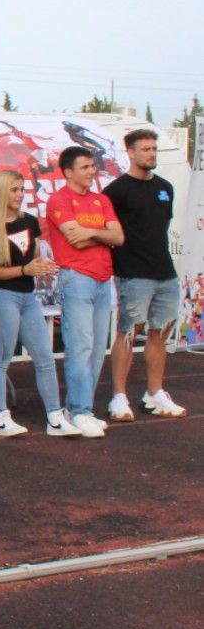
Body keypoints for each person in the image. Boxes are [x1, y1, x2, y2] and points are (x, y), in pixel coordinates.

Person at [0, 169, 77, 437]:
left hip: (27, 297)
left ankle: (55, 417)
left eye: (22, 189)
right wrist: (25, 270)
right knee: (0, 359)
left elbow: (32, 259)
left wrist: (43, 266)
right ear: (1, 191)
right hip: (1, 296)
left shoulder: (30, 221)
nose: (20, 195)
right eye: (14, 190)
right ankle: (0, 418)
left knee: (45, 357)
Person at [104, 129, 186, 420]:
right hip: (133, 273)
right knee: (128, 332)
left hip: (165, 272)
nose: (151, 154)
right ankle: (118, 397)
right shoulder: (115, 191)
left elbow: (160, 227)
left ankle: (154, 393)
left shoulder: (165, 187)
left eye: (154, 149)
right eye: (145, 149)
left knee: (160, 333)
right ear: (130, 152)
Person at [45, 145, 124, 437]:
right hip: (77, 278)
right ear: (68, 172)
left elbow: (119, 236)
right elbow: (74, 240)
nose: (92, 171)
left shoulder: (102, 200)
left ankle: (81, 409)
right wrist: (104, 236)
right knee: (80, 346)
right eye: (85, 167)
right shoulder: (59, 199)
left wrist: (90, 232)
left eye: (93, 166)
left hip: (103, 278)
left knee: (97, 347)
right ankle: (79, 410)